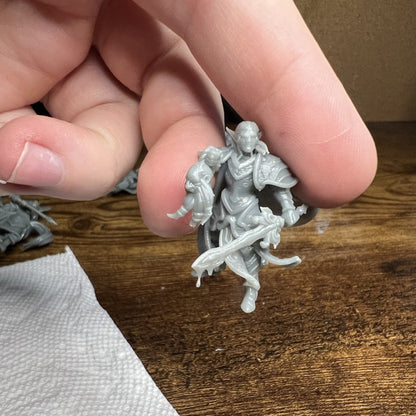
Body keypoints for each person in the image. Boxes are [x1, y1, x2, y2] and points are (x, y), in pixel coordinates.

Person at [0, 1, 377, 238]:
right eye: (243, 136)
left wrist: (289, 207)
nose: (247, 142)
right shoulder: (227, 155)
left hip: (247, 211)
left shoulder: (263, 163)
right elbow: (207, 167)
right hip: (224, 207)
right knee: (190, 191)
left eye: (250, 138)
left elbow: (278, 186)